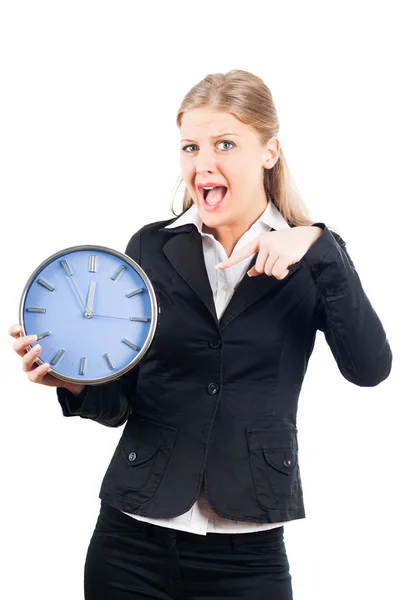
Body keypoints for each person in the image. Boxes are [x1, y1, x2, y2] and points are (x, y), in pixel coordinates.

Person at [9, 69, 393, 600]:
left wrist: (320, 243)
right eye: (190, 146)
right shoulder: (150, 248)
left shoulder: (313, 258)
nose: (202, 164)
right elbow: (122, 402)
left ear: (269, 151)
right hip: (131, 540)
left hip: (249, 554)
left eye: (225, 144)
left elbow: (370, 369)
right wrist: (72, 383)